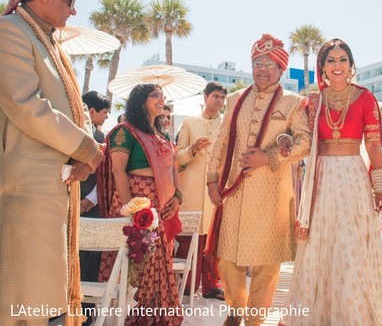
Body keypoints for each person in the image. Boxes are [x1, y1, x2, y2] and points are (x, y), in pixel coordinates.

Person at [0, 0, 104, 326]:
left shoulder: (50, 42)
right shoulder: (9, 30)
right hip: (26, 187)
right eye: (68, 1)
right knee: (27, 296)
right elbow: (26, 103)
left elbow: (74, 110)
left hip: (56, 184)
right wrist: (86, 148)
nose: (73, 11)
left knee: (50, 294)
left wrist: (85, 152)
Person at [280, 38, 382, 326]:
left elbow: (373, 145)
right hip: (320, 178)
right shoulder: (312, 101)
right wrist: (284, 138)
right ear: (322, 66)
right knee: (320, 243)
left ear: (351, 64)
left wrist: (380, 184)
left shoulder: (365, 97)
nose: (337, 66)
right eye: (331, 60)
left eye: (342, 59)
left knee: (351, 244)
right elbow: (299, 136)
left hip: (352, 178)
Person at [205, 34, 311, 326]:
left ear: (281, 70)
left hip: (272, 192)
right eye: (257, 63)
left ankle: (254, 319)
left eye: (270, 64)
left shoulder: (294, 102)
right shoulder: (235, 99)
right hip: (234, 191)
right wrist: (213, 180)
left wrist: (268, 157)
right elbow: (222, 143)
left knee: (267, 261)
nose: (263, 69)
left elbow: (305, 141)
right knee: (228, 256)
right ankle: (236, 309)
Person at [97, 84, 183, 326]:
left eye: (162, 95)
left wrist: (177, 198)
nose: (160, 99)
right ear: (140, 100)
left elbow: (173, 169)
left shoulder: (162, 135)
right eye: (154, 95)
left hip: (162, 206)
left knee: (157, 261)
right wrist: (132, 210)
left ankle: (155, 316)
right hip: (136, 202)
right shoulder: (125, 132)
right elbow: (117, 170)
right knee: (135, 261)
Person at [174, 81, 227, 300]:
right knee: (189, 237)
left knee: (215, 239)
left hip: (217, 188)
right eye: (215, 96)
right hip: (192, 189)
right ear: (205, 97)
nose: (220, 101)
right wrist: (193, 149)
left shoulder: (228, 124)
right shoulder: (189, 122)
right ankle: (186, 285)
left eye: (222, 97)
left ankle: (212, 285)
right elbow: (177, 157)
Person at [79, 91, 110, 310]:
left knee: (90, 261)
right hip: (66, 208)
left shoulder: (102, 139)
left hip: (91, 209)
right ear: (91, 112)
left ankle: (86, 311)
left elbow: (104, 177)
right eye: (104, 112)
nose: (107, 117)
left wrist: (89, 201)